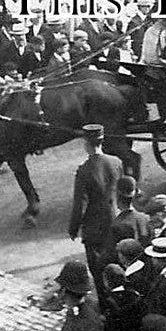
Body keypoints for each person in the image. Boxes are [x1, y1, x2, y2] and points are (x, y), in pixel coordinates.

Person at [69, 124, 124, 289]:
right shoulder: (116, 162)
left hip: (94, 227)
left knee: (98, 269)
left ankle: (104, 302)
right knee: (116, 264)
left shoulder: (84, 170)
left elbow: (80, 203)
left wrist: (73, 228)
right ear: (102, 140)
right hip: (115, 219)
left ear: (86, 144)